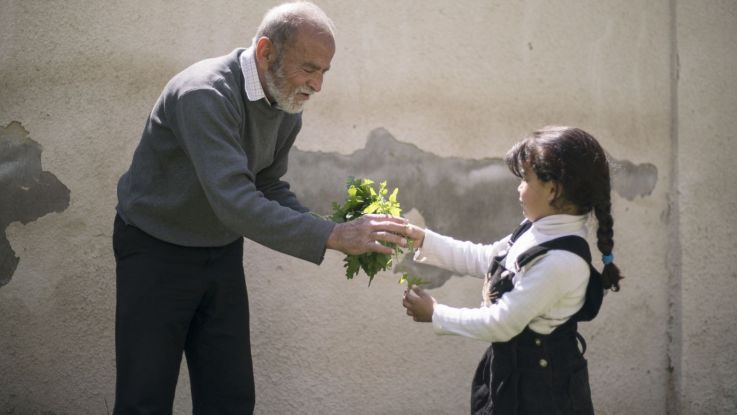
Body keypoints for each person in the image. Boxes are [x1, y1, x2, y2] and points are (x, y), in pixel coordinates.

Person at [112, 2, 408, 414]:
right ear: (267, 51)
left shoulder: (287, 104)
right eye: (309, 68)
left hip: (220, 252)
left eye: (324, 72)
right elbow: (235, 202)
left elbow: (266, 185)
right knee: (144, 397)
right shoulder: (205, 94)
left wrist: (325, 225)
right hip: (155, 249)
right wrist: (333, 236)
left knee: (230, 397)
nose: (317, 85)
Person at [401, 126, 623, 414]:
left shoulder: (561, 262)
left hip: (544, 395)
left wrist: (436, 313)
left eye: (526, 179)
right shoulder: (536, 229)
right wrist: (422, 239)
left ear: (552, 189)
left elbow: (502, 322)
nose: (519, 187)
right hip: (515, 378)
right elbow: (487, 258)